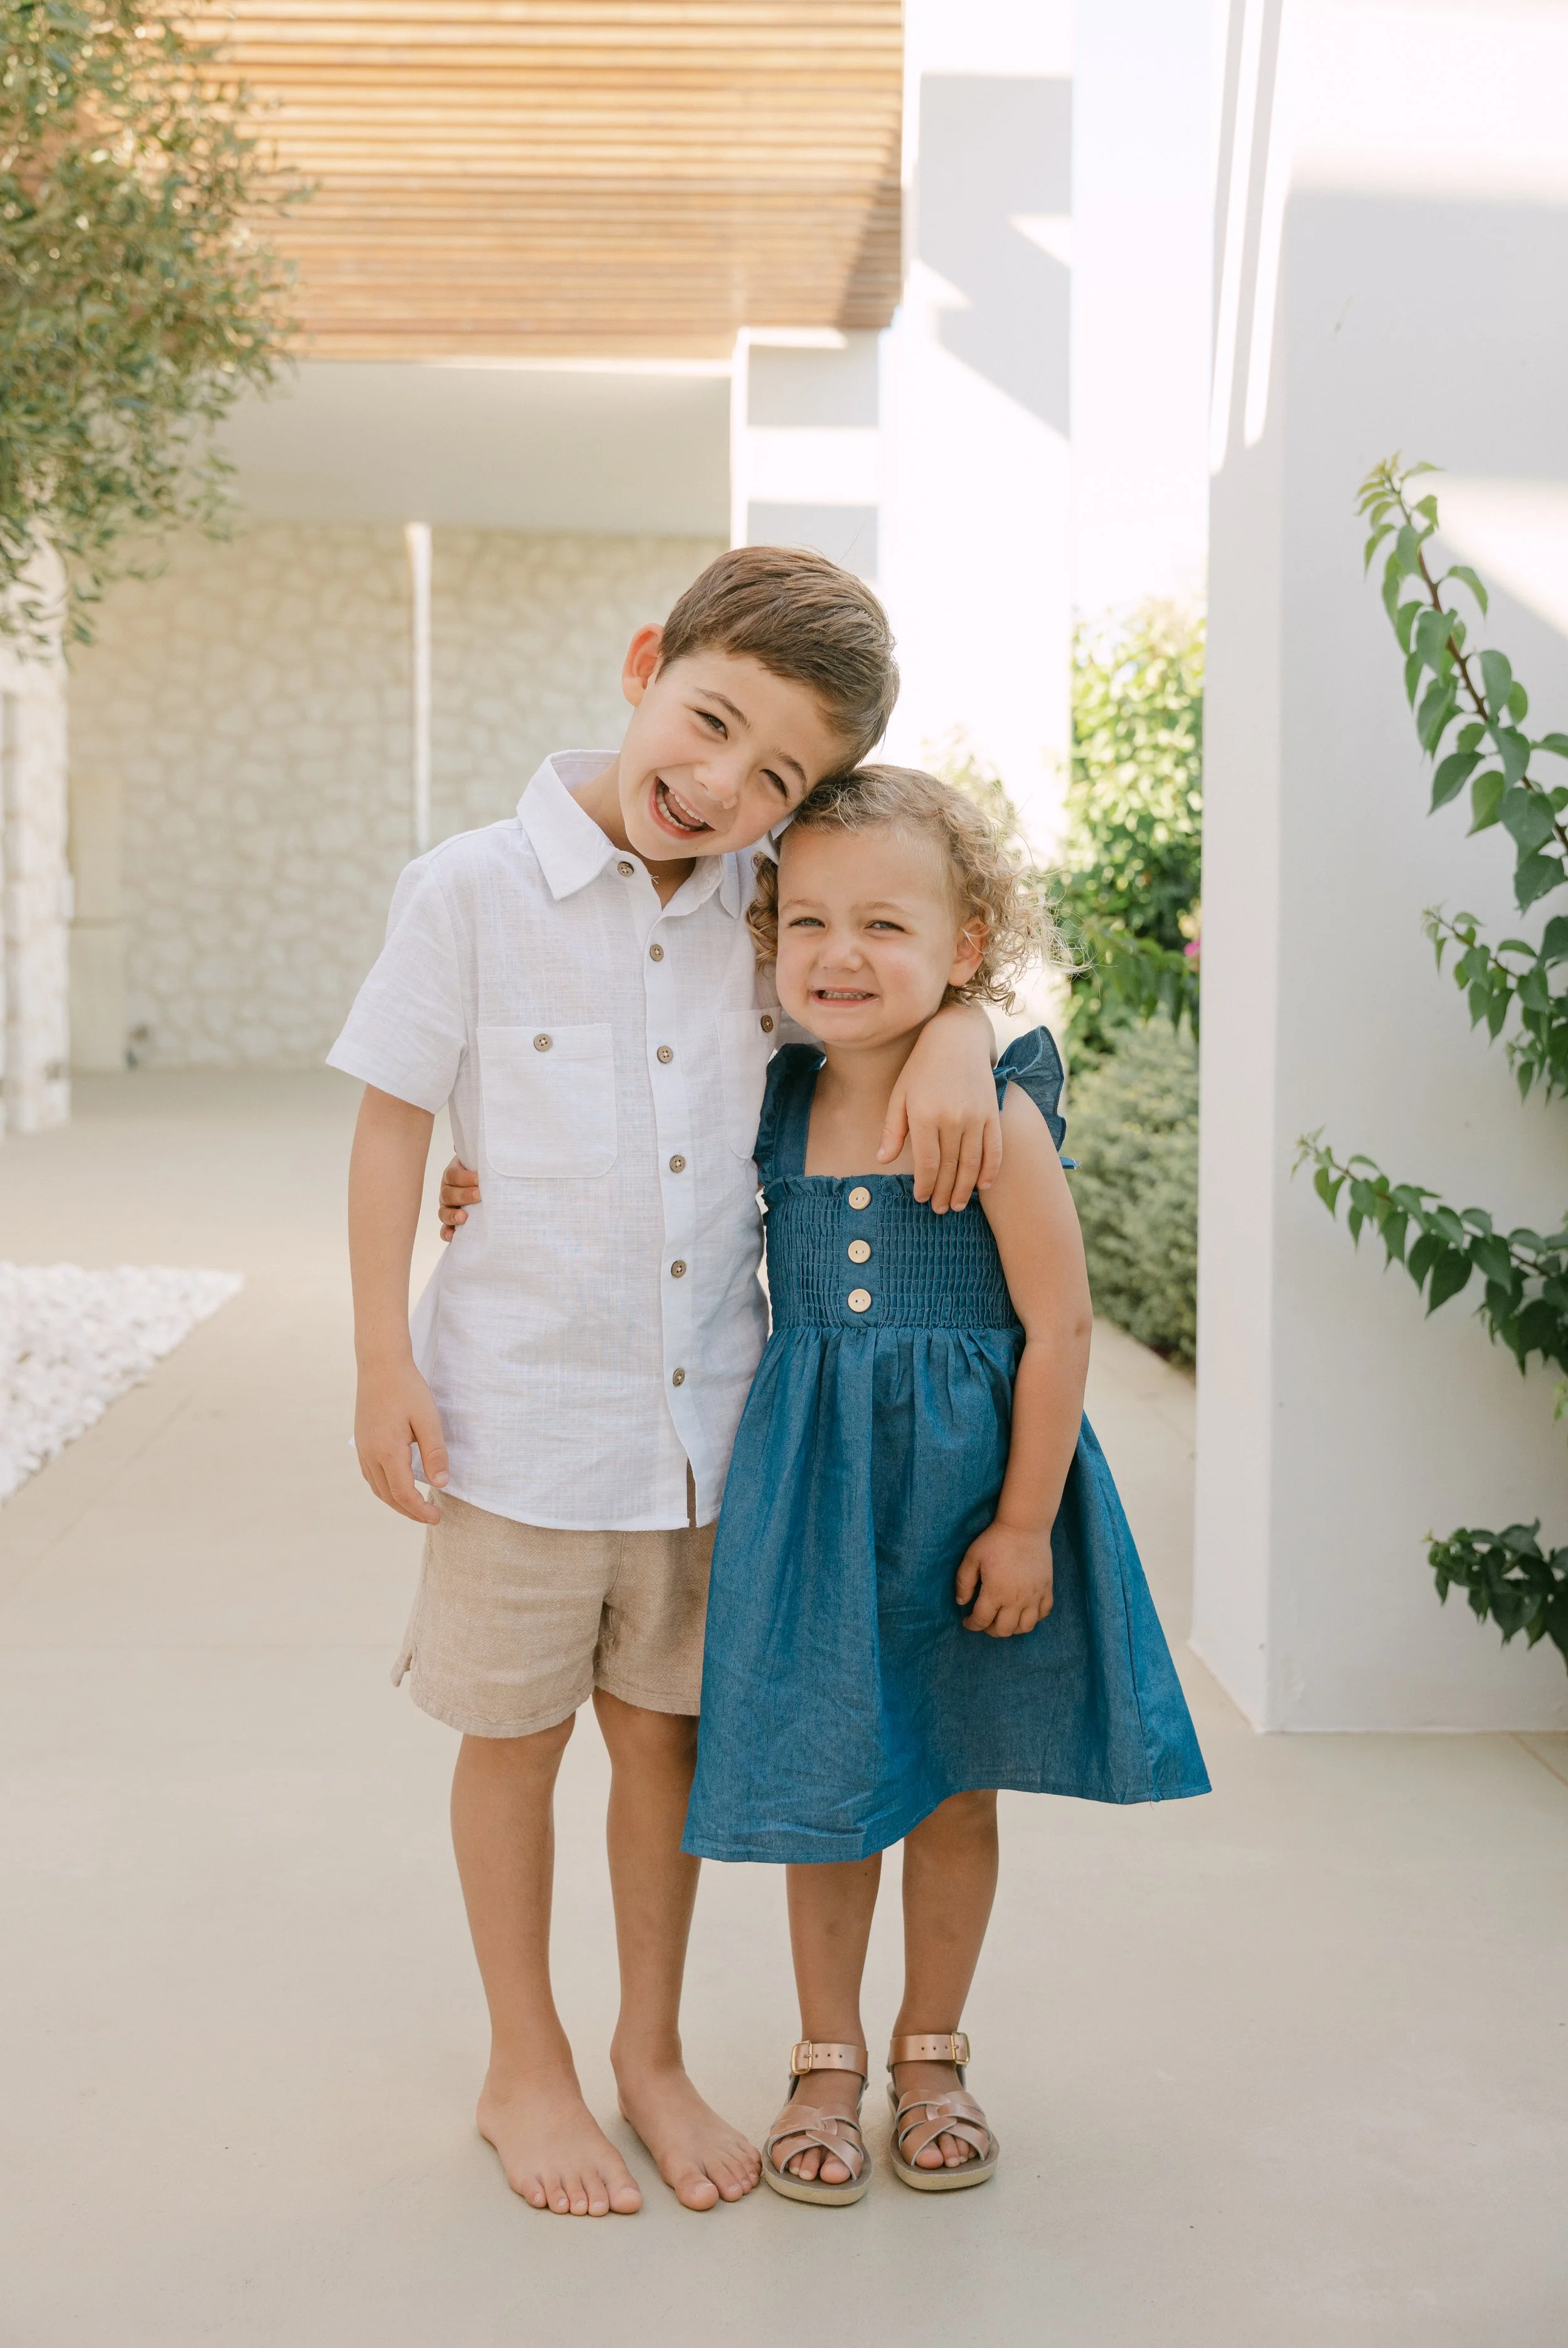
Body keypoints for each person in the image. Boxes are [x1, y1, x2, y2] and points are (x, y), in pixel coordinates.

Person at [330, 549, 1003, 2221]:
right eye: (709, 722)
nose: (720, 785)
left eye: (774, 775)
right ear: (646, 663)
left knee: (665, 1747)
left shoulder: (771, 909)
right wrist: (380, 1353)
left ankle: (649, 2047)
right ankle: (525, 2059)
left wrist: (962, 1032)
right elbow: (395, 1122)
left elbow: (895, 975)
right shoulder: (468, 888)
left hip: (709, 1434)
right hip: (516, 1422)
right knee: (511, 1743)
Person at [678, 764, 1210, 2204]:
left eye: (883, 925)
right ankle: (824, 2060)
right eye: (805, 921)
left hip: (969, 1496)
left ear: (964, 941)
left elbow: (1061, 1322)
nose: (838, 953)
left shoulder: (996, 1113)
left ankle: (929, 2055)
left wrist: (1026, 1519)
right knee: (827, 1782)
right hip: (820, 1500)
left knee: (952, 1784)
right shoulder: (771, 1098)